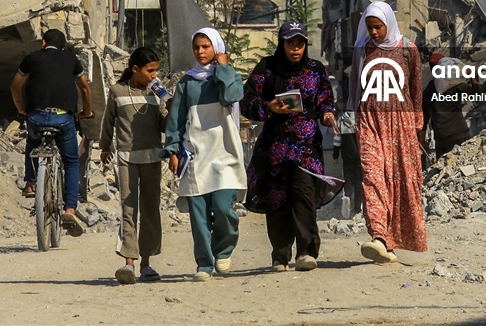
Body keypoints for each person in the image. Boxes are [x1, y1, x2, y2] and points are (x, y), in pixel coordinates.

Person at [241, 21, 338, 272]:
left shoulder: (316, 69)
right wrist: (268, 107)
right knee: (277, 200)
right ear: (281, 43)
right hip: (275, 146)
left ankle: (306, 252)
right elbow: (247, 99)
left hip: (306, 149)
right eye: (290, 43)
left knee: (303, 194)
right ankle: (280, 255)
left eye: (300, 43)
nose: (295, 49)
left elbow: (325, 98)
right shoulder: (268, 68)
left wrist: (327, 114)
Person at [163, 27, 247, 281]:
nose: (200, 52)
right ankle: (204, 263)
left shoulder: (230, 76)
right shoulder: (186, 83)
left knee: (223, 208)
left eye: (206, 47)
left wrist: (223, 68)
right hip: (196, 153)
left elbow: (230, 97)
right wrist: (173, 150)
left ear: (217, 48)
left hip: (225, 151)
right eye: (196, 47)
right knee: (199, 215)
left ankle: (223, 250)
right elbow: (176, 119)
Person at [351, 1, 427, 264]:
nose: (373, 33)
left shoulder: (408, 50)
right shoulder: (363, 49)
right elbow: (355, 87)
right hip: (370, 120)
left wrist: (417, 122)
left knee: (400, 179)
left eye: (378, 27)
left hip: (400, 123)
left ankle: (392, 242)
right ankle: (379, 237)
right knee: (373, 176)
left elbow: (416, 87)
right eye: (369, 27)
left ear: (389, 24)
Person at [10, 28, 91, 237]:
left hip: (36, 116)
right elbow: (85, 89)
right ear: (63, 47)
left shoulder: (31, 58)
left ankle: (31, 182)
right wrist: (86, 112)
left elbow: (15, 86)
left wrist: (21, 108)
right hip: (64, 117)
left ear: (43, 43)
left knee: (32, 142)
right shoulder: (71, 59)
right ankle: (70, 209)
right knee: (71, 161)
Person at [99, 47, 168, 285]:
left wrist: (172, 105)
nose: (153, 75)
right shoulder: (118, 91)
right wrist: (105, 147)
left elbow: (165, 125)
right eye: (150, 70)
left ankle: (147, 265)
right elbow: (108, 121)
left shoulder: (155, 93)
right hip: (127, 158)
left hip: (153, 158)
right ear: (135, 69)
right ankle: (129, 262)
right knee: (129, 209)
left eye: (156, 70)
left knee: (150, 209)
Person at [422, 53, 473, 162]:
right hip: (459, 133)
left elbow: (424, 121)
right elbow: (476, 94)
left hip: (441, 139)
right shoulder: (455, 85)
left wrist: (423, 143)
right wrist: (472, 77)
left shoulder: (426, 92)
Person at [331, 69, 363, 218]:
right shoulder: (362, 121)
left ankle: (347, 196)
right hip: (360, 156)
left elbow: (337, 140)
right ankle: (357, 208)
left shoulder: (341, 120)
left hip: (347, 155)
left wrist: (335, 156)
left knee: (348, 179)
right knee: (359, 181)